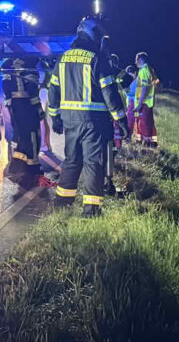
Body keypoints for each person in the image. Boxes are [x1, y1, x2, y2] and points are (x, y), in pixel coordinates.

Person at [46, 17, 127, 216]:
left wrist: (55, 116)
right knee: (93, 163)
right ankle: (90, 210)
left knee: (72, 161)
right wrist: (121, 119)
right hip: (94, 122)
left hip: (70, 121)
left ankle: (62, 204)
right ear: (94, 36)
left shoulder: (63, 59)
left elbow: (53, 90)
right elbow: (110, 93)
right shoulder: (96, 59)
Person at [3, 58, 54, 188]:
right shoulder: (30, 63)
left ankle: (17, 169)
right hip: (27, 107)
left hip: (15, 106)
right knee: (32, 138)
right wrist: (39, 109)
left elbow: (6, 85)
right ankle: (31, 173)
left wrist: (10, 103)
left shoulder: (8, 63)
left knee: (21, 137)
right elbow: (32, 89)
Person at [131, 51, 161, 147]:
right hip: (147, 102)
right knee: (148, 123)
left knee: (144, 124)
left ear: (140, 59)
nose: (135, 62)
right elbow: (155, 82)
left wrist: (139, 104)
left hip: (144, 103)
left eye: (136, 60)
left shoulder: (144, 71)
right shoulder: (150, 69)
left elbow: (144, 88)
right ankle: (150, 143)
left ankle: (146, 145)